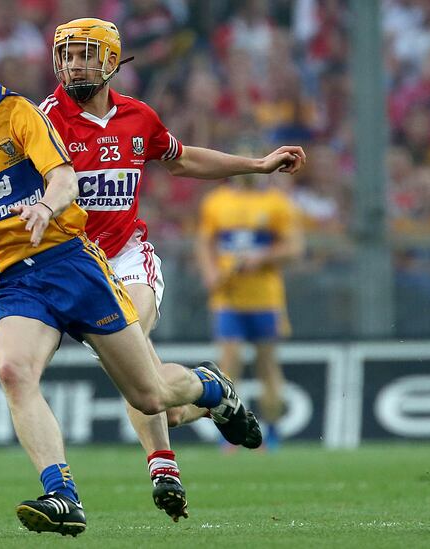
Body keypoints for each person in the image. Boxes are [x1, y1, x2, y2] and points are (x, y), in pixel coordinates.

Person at [0, 34, 259, 537]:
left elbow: (64, 179)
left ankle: (210, 386)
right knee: (13, 371)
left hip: (74, 264)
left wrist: (45, 207)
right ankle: (62, 495)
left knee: (151, 395)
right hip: (17, 281)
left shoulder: (23, 115)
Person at [40, 18, 306, 518]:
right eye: (67, 54)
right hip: (72, 267)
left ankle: (163, 465)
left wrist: (256, 164)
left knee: (134, 341)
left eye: (85, 53)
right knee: (152, 391)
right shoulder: (42, 121)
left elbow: (182, 160)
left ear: (112, 61)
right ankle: (213, 394)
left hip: (126, 257)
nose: (74, 63)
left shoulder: (139, 117)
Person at [196, 168, 304, 450]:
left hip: (265, 298)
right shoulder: (217, 202)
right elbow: (205, 243)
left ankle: (272, 432)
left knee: (267, 365)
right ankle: (232, 435)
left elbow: (294, 247)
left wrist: (262, 256)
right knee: (229, 366)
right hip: (228, 297)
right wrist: (209, 273)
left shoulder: (276, 202)